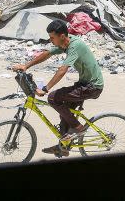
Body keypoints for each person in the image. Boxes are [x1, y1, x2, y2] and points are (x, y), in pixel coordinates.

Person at [12, 19, 105, 157]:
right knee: (64, 112)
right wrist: (26, 66)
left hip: (92, 86)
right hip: (84, 84)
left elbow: (62, 70)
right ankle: (63, 147)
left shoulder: (75, 45)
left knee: (53, 98)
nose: (51, 41)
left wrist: (46, 88)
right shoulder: (64, 43)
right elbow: (47, 53)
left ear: (62, 36)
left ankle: (79, 128)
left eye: (52, 38)